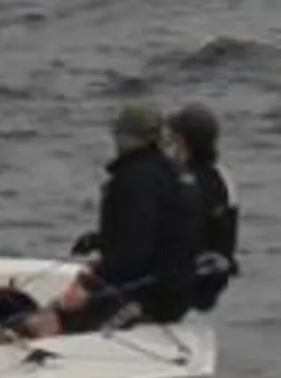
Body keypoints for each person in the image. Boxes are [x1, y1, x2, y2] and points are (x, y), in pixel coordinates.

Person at [15, 103, 199, 338]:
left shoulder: (136, 180)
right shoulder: (167, 174)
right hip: (167, 290)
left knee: (51, 325)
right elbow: (151, 234)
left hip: (144, 297)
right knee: (56, 313)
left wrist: (91, 289)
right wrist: (101, 241)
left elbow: (134, 253)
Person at [168, 102, 239, 312]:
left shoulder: (178, 179)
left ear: (182, 142)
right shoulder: (223, 177)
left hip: (183, 281)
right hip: (216, 278)